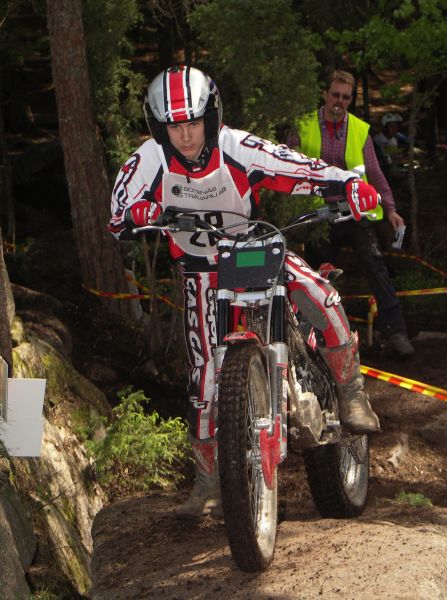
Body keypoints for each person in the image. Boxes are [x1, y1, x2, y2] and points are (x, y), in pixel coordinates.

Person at [108, 65, 380, 519]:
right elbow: (117, 216)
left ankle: (351, 392)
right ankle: (208, 481)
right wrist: (138, 213)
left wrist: (348, 183)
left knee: (318, 291)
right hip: (199, 271)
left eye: (194, 123)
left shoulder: (237, 147)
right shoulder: (147, 161)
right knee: (203, 380)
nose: (186, 136)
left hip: (252, 249)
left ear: (210, 117)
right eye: (175, 126)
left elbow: (295, 166)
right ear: (159, 127)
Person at [289, 70, 415, 359]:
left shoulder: (359, 130)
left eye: (346, 97)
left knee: (377, 267)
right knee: (314, 277)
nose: (340, 101)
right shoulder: (303, 124)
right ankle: (311, 338)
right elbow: (285, 164)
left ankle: (396, 332)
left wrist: (391, 210)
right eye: (335, 95)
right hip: (319, 215)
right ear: (325, 94)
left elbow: (375, 173)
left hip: (355, 211)